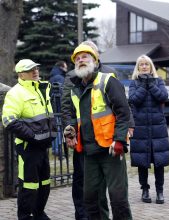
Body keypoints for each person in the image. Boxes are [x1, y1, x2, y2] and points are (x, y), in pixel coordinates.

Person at [62, 41, 134, 220]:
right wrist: (69, 131)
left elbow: (123, 112)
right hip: (89, 152)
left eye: (85, 57)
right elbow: (72, 115)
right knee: (91, 199)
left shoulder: (108, 80)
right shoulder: (75, 88)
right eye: (77, 58)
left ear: (94, 60)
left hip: (111, 149)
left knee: (118, 199)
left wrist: (119, 140)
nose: (81, 60)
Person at [2, 59, 57, 219]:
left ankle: (39, 213)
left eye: (36, 68)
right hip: (28, 147)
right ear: (21, 74)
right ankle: (25, 216)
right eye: (30, 70)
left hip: (43, 146)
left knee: (45, 183)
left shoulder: (41, 88)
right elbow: (9, 120)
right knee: (28, 185)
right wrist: (32, 136)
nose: (35, 71)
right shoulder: (16, 92)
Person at [128, 55, 169, 204]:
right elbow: (133, 100)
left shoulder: (159, 81)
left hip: (158, 129)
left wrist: (151, 84)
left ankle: (160, 191)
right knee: (142, 162)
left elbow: (163, 96)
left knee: (159, 162)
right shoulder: (134, 83)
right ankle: (144, 189)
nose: (144, 66)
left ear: (151, 66)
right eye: (141, 65)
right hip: (140, 129)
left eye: (147, 64)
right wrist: (143, 85)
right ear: (138, 68)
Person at [49, 61, 68, 156]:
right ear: (61, 67)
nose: (67, 69)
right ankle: (57, 150)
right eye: (65, 67)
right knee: (59, 129)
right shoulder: (59, 78)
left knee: (56, 128)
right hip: (58, 107)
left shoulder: (52, 76)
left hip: (53, 107)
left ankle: (55, 149)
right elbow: (62, 94)